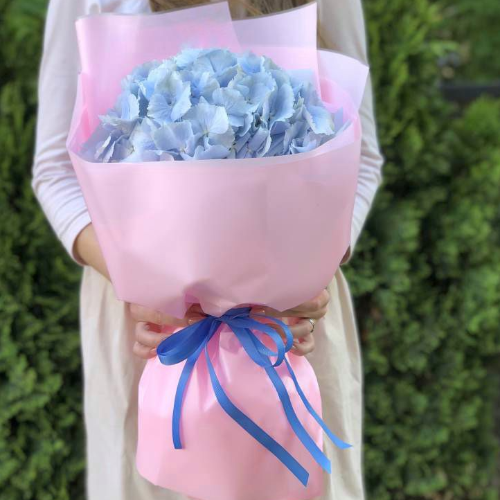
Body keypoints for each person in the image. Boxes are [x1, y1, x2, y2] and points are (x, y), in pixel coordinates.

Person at [32, 0, 384, 498]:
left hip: (291, 322)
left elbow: (361, 157)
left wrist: (310, 272)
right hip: (151, 328)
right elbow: (54, 170)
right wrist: (147, 287)